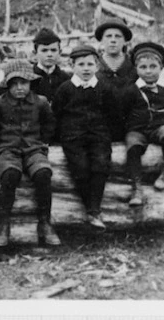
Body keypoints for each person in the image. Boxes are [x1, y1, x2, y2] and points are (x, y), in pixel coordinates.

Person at [52, 44, 121, 231]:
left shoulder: (104, 88)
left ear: (97, 66)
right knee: (80, 167)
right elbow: (56, 114)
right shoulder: (65, 89)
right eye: (81, 64)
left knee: (100, 164)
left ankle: (94, 209)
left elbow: (113, 114)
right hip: (72, 136)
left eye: (90, 64)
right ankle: (92, 210)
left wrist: (109, 135)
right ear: (71, 65)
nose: (85, 68)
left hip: (99, 134)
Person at [0, 59, 60, 248]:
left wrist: (44, 142)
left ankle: (45, 223)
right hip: (7, 150)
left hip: (33, 149)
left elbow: (50, 123)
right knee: (10, 174)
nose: (19, 88)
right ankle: (3, 225)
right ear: (7, 85)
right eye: (14, 84)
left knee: (43, 173)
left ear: (31, 83)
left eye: (24, 83)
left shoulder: (40, 102)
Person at [124, 42, 164, 206]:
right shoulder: (131, 90)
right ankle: (136, 185)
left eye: (153, 66)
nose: (148, 71)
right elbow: (121, 111)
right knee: (133, 146)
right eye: (143, 67)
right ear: (136, 69)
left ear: (161, 67)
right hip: (138, 129)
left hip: (160, 127)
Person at [29, 27, 70, 104]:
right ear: (35, 53)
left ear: (60, 52)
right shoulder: (29, 78)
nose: (49, 54)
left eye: (53, 50)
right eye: (44, 50)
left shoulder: (66, 78)